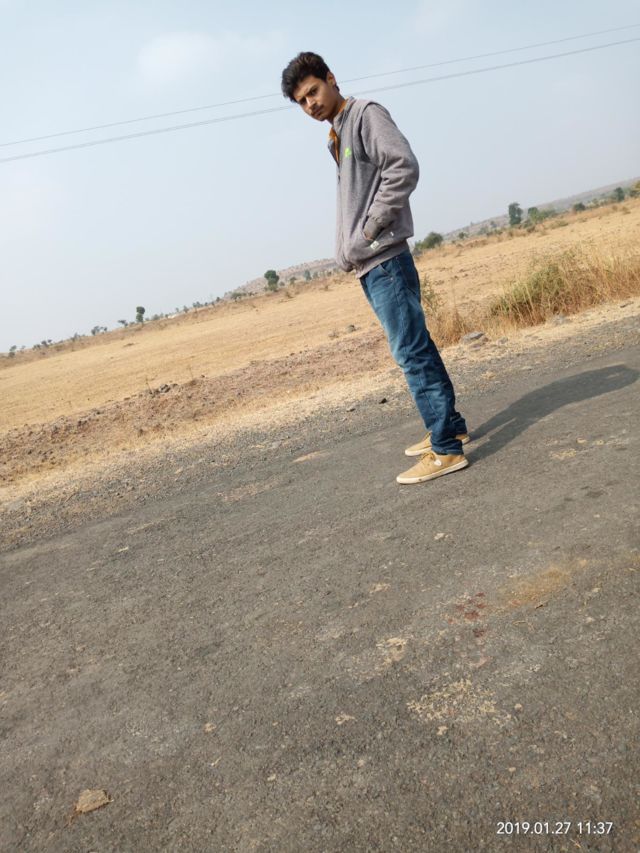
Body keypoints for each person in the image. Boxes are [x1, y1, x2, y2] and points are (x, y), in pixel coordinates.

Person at [281, 52, 470, 484]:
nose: (310, 104)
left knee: (411, 353)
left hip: (384, 259)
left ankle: (446, 450)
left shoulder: (365, 115)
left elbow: (403, 165)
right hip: (372, 262)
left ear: (331, 78)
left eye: (313, 91)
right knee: (418, 347)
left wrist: (369, 230)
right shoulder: (338, 133)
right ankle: (450, 427)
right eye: (302, 101)